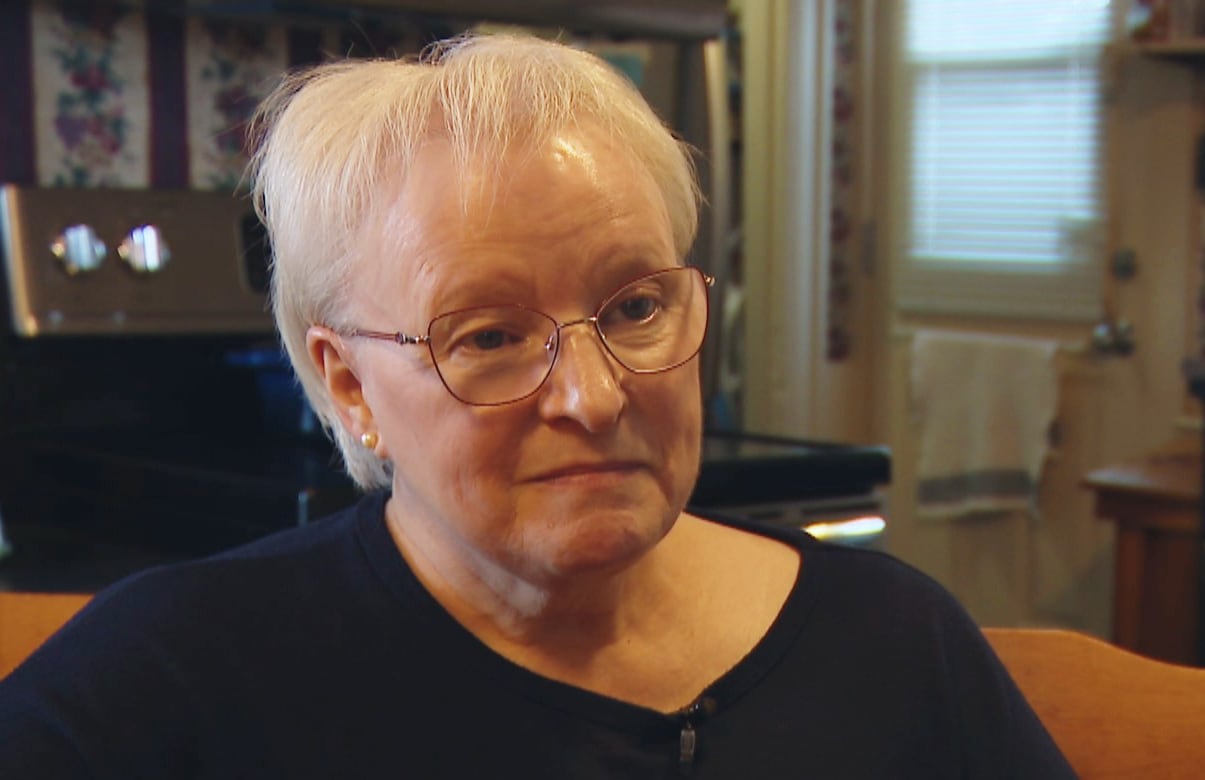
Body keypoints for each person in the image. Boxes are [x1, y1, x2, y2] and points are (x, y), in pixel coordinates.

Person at [0, 32, 1074, 778]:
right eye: (491, 336)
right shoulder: (178, 672)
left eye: (636, 304)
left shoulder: (891, 642)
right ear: (346, 382)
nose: (595, 394)